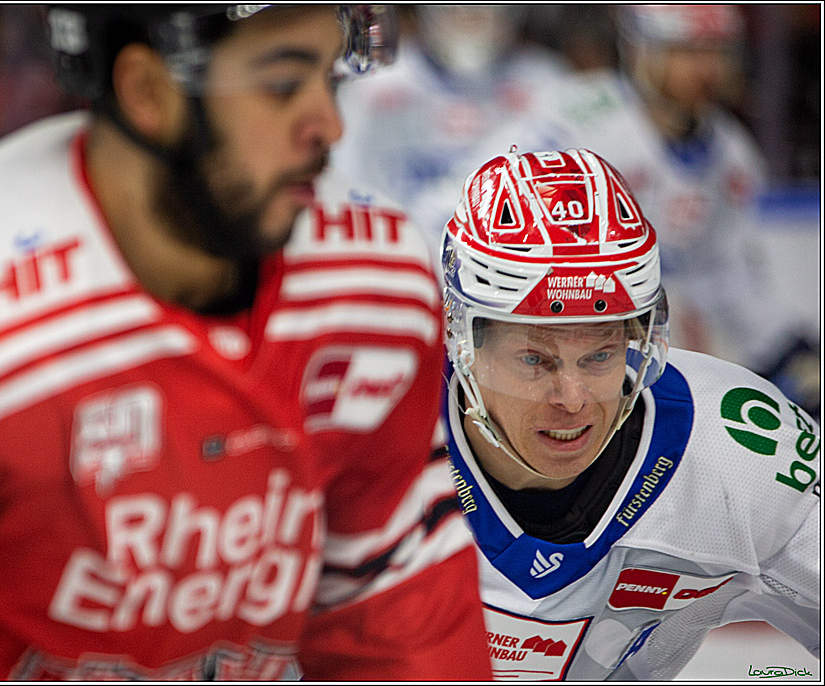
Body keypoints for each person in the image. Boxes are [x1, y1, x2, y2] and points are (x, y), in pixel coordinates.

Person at [0, 6, 493, 680]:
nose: (329, 127)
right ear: (148, 91)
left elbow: (396, 625)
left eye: (333, 79)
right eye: (282, 84)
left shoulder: (375, 284)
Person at [439, 147, 820, 680]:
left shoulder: (738, 447)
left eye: (599, 354)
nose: (572, 398)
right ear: (464, 342)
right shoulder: (363, 436)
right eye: (534, 358)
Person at [469, 5, 777, 371]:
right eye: (687, 51)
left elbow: (732, 274)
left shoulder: (735, 157)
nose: (706, 69)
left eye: (717, 52)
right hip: (566, 333)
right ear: (642, 50)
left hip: (667, 352)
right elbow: (482, 193)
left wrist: (779, 349)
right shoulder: (578, 119)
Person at [330, 5, 569, 257]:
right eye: (457, 12)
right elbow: (347, 183)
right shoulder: (374, 85)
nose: (468, 18)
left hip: (517, 263)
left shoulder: (548, 83)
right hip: (400, 259)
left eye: (479, 13)